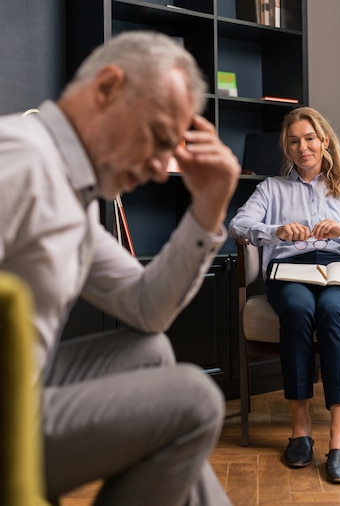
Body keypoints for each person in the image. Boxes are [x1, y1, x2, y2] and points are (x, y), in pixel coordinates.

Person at [0, 31, 240, 505]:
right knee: (194, 399)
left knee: (149, 351)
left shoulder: (75, 196)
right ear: (108, 88)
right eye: (157, 138)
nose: (158, 168)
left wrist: (209, 207)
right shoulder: (22, 160)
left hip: (26, 382)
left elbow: (148, 308)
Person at [229, 106, 340, 483]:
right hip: (289, 271)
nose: (303, 147)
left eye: (309, 139)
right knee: (299, 309)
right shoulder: (272, 189)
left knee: (335, 310)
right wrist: (277, 232)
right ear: (286, 149)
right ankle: (300, 429)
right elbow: (238, 224)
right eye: (294, 141)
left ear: (323, 142)